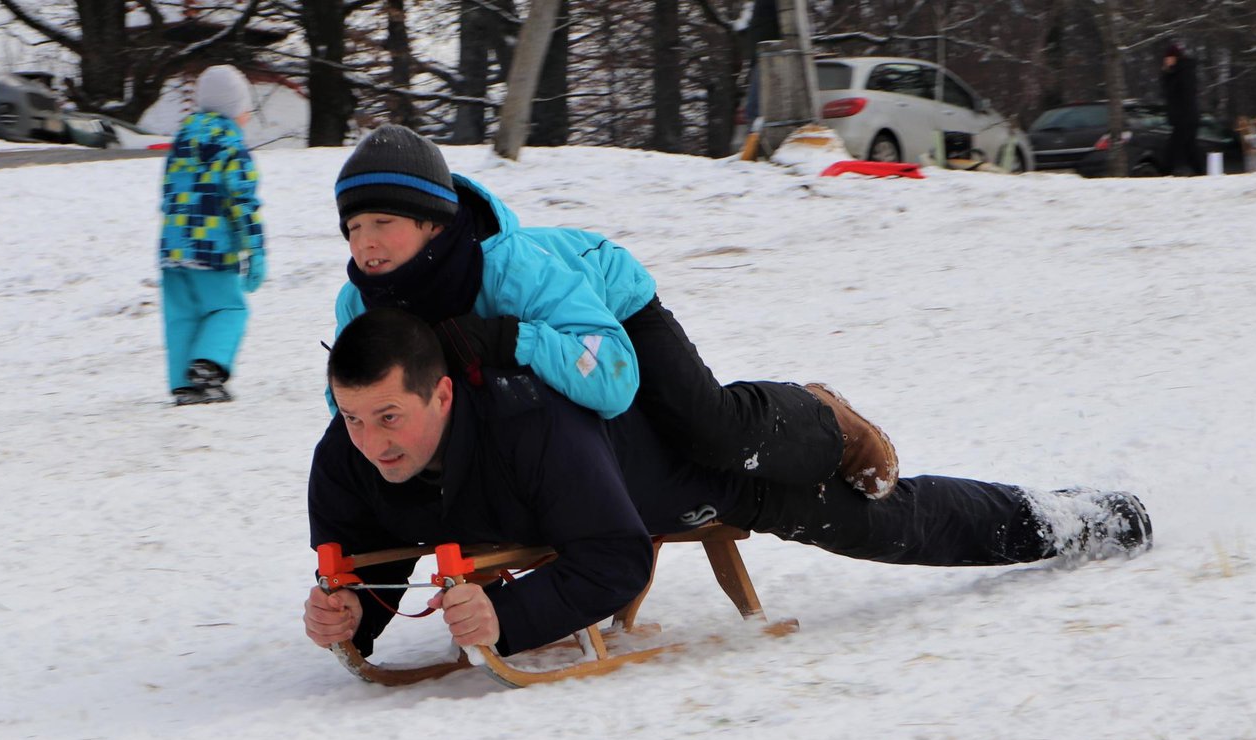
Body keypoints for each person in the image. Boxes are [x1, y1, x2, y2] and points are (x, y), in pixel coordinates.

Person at [303, 309, 1152, 659]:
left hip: (708, 473)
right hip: (620, 471)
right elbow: (374, 556)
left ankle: (1083, 520)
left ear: (442, 393)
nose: (371, 441)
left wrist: (511, 618)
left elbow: (618, 560)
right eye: (352, 417)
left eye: (390, 417)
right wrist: (354, 616)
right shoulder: (344, 457)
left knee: (891, 524)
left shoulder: (530, 430)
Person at [329, 123, 898, 499]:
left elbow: (610, 378)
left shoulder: (514, 271)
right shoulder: (359, 300)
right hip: (550, 332)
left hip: (611, 307)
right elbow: (349, 397)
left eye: (385, 223)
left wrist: (518, 340)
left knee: (709, 432)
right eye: (354, 227)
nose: (366, 244)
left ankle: (824, 415)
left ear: (433, 223)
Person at [159, 64, 267, 405]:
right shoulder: (232, 147)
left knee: (182, 316)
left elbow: (168, 193)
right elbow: (242, 203)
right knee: (230, 310)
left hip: (172, 251)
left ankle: (183, 383)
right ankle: (207, 368)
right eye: (245, 109)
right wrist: (255, 250)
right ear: (235, 110)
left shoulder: (182, 140)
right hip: (213, 249)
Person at [1161, 41, 1202, 176]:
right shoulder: (1175, 72)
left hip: (1185, 117)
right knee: (1189, 147)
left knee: (1176, 147)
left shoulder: (1184, 72)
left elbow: (1185, 94)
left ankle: (1171, 171)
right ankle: (1198, 172)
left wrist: (1183, 116)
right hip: (1183, 117)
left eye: (1169, 57)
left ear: (1175, 57)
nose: (1166, 60)